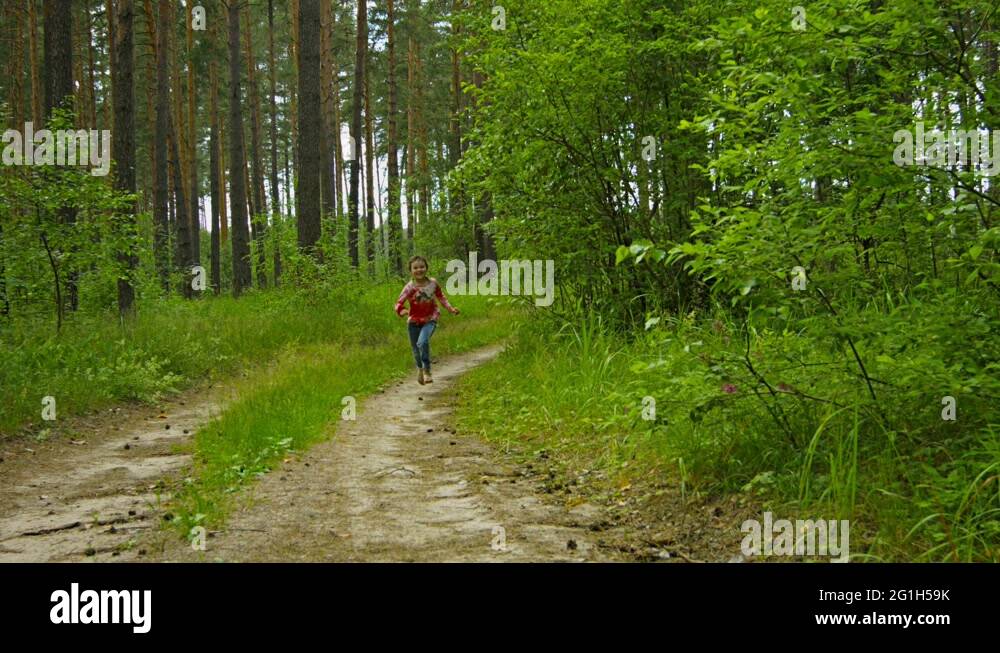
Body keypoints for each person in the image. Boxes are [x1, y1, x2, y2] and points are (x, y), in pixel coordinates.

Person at [394, 255, 460, 384]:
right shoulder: (409, 287)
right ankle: (420, 368)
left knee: (422, 342)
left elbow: (441, 297)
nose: (419, 270)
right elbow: (398, 303)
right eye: (415, 268)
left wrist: (451, 309)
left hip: (430, 318)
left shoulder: (433, 283)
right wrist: (401, 311)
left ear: (426, 268)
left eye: (422, 267)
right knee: (416, 350)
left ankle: (427, 371)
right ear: (411, 271)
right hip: (413, 321)